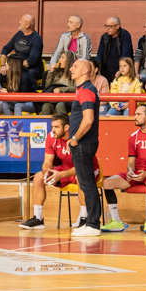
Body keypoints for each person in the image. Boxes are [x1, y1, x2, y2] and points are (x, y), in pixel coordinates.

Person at [19, 113, 97, 230]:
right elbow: (47, 162)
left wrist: (61, 174)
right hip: (65, 168)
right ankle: (38, 219)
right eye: (52, 127)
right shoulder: (51, 137)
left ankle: (85, 219)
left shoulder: (78, 137)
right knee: (39, 177)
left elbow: (82, 167)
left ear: (66, 127)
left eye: (56, 127)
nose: (53, 130)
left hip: (87, 169)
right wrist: (47, 173)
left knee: (81, 178)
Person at [100, 105, 146, 234]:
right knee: (107, 183)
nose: (134, 117)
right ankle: (116, 222)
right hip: (137, 173)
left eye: (138, 114)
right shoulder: (133, 137)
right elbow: (131, 161)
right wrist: (130, 171)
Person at [66, 58, 102, 237]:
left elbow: (88, 120)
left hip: (83, 143)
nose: (71, 69)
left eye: (75, 66)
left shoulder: (87, 90)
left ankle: (93, 224)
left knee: (87, 184)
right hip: (82, 143)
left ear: (85, 71)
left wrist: (74, 138)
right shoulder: (81, 90)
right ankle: (90, 222)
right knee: (85, 183)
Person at [0, 14, 44, 93]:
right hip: (15, 66)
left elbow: (32, 60)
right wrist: (3, 65)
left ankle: (28, 98)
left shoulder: (36, 39)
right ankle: (0, 95)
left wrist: (14, 67)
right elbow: (5, 49)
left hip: (30, 68)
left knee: (29, 75)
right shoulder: (19, 34)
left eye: (21, 20)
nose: (19, 22)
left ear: (27, 25)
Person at [96, 16, 132, 83]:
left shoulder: (125, 35)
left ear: (117, 26)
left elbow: (126, 54)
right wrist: (97, 69)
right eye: (106, 26)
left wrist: (120, 70)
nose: (107, 28)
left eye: (110, 26)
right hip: (105, 70)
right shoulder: (104, 37)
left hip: (119, 69)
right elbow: (100, 53)